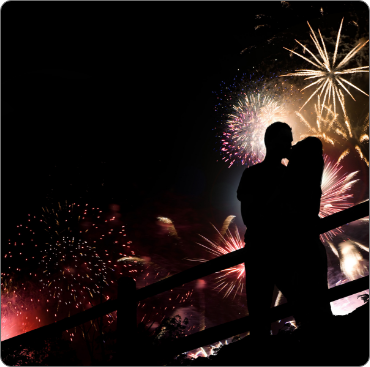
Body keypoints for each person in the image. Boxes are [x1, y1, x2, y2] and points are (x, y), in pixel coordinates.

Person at [237, 121, 295, 337]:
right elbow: (249, 218)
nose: (289, 144)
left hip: (281, 250)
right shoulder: (252, 175)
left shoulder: (288, 175)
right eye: (283, 139)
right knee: (260, 317)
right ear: (269, 142)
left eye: (289, 140)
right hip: (261, 252)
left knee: (299, 302)